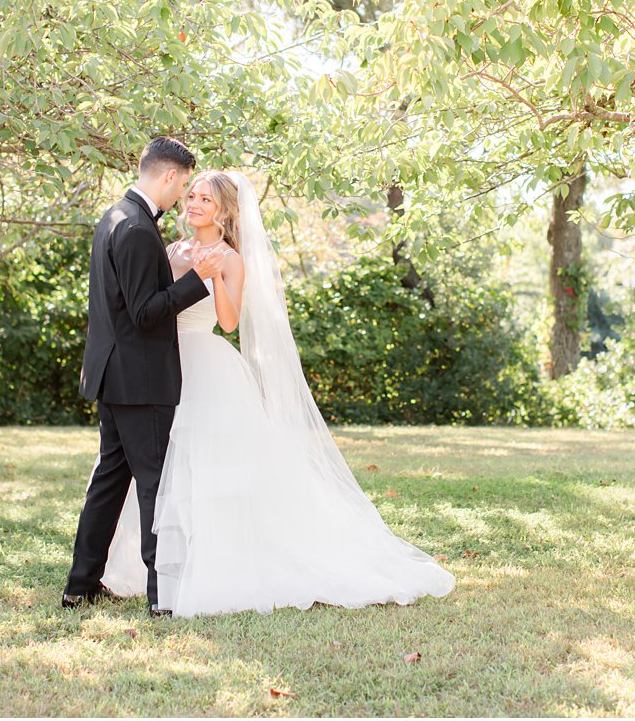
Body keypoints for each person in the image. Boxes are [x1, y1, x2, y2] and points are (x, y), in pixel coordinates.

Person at [93, 169, 455, 617]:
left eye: (205, 199)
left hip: (204, 367)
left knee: (208, 471)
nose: (193, 205)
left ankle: (206, 568)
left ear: (224, 211)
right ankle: (162, 568)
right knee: (160, 471)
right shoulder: (170, 249)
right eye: (191, 197)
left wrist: (210, 277)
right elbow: (151, 304)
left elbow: (228, 322)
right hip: (159, 364)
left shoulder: (230, 260)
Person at [62, 137, 227, 616]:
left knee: (110, 481)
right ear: (171, 177)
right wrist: (199, 281)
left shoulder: (115, 216)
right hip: (140, 380)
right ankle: (163, 596)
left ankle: (81, 584)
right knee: (156, 484)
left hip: (114, 376)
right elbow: (144, 314)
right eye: (183, 188)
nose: (183, 200)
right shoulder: (136, 228)